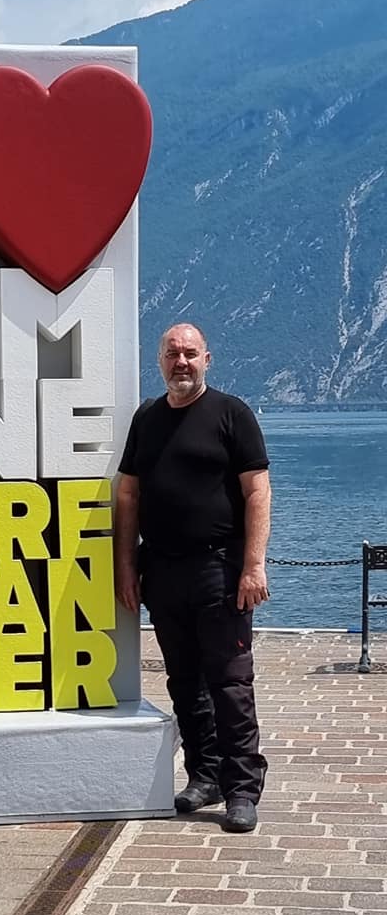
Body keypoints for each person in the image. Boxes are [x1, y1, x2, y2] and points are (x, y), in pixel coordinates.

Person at [114, 323, 271, 833]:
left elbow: (257, 492)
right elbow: (128, 494)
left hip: (218, 570)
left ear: (207, 359)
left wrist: (253, 565)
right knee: (184, 682)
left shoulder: (231, 414)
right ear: (159, 360)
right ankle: (205, 775)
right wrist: (125, 565)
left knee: (230, 683)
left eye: (189, 353)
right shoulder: (147, 418)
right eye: (171, 353)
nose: (180, 361)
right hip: (162, 570)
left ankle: (242, 788)